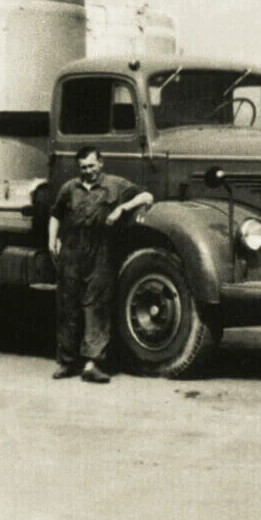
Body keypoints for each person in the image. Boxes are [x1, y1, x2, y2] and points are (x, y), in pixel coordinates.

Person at [48, 146, 153, 383]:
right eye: (83, 167)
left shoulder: (116, 185)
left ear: (101, 163)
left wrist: (122, 208)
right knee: (67, 307)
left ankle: (92, 364)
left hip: (101, 252)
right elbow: (55, 214)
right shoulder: (69, 188)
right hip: (71, 252)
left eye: (91, 166)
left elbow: (147, 196)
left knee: (96, 307)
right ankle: (67, 363)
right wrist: (51, 239)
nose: (88, 171)